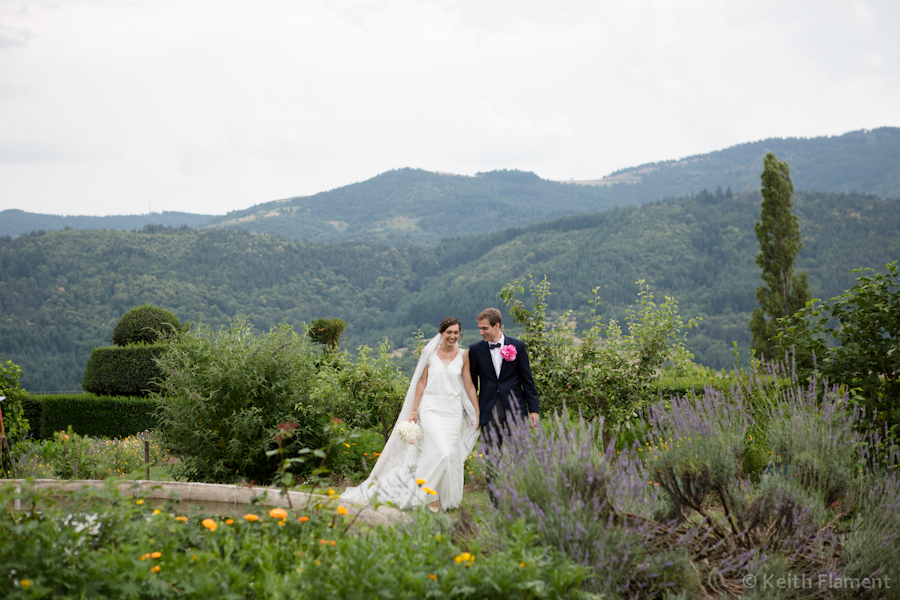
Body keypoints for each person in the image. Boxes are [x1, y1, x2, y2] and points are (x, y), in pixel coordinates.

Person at [341, 317, 480, 512]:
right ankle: (430, 497)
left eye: (456, 333)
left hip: (453, 411)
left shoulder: (464, 355)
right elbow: (421, 382)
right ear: (441, 333)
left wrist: (476, 411)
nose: (453, 336)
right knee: (442, 451)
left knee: (448, 455)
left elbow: (469, 385)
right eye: (449, 332)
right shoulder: (429, 353)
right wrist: (414, 410)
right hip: (431, 408)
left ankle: (441, 497)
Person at [468, 308, 539, 444]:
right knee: (491, 456)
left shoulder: (518, 346)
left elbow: (527, 380)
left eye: (485, 328)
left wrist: (533, 410)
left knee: (520, 454)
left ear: (497, 326)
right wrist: (472, 413)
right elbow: (472, 384)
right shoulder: (475, 350)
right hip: (489, 409)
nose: (481, 332)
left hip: (515, 407)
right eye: (480, 328)